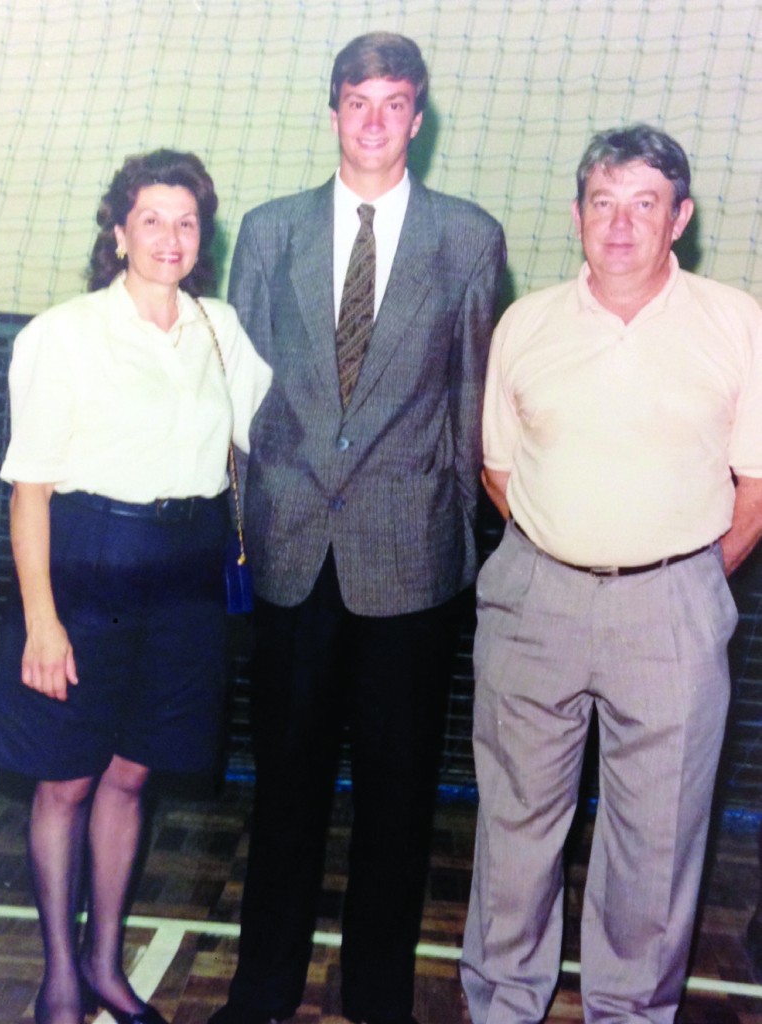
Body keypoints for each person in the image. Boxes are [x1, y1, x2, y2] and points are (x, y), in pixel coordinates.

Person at [207, 32, 506, 1024]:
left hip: (408, 561)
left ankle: (378, 997)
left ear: (417, 118)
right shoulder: (269, 231)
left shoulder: (466, 237)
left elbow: (471, 397)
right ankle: (260, 992)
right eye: (356, 102)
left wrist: (456, 543)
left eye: (393, 104)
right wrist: (243, 534)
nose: (373, 122)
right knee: (283, 790)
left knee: (396, 796)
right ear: (332, 111)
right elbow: (235, 395)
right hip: (290, 554)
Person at [460, 124, 762, 1023]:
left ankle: (629, 1014)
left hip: (671, 608)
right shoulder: (527, 323)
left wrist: (673, 576)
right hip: (533, 600)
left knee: (656, 845)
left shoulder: (735, 321)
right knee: (513, 832)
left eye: (644, 205)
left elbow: (755, 486)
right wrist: (572, 550)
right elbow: (497, 470)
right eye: (603, 203)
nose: (621, 225)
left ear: (681, 218)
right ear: (576, 214)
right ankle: (503, 1005)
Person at [0, 149, 271, 1024]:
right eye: (152, 218)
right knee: (64, 781)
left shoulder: (220, 327)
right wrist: (41, 620)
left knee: (131, 778)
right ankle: (60, 979)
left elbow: (274, 432)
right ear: (119, 231)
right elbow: (29, 488)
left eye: (187, 222)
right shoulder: (62, 334)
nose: (170, 237)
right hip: (87, 564)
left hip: (188, 579)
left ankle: (107, 966)